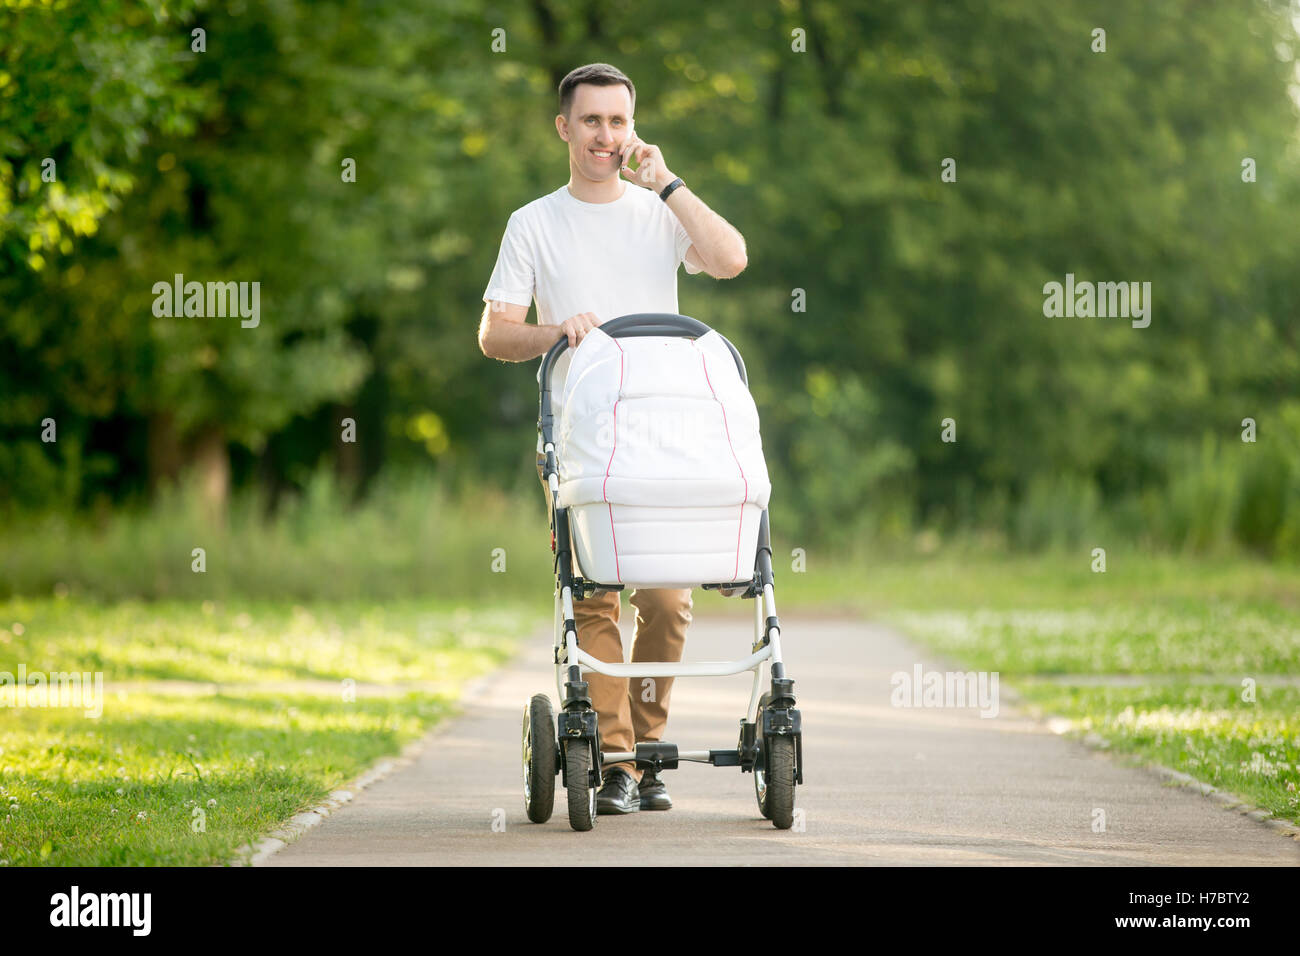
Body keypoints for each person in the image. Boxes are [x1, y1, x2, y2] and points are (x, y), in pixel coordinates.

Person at [477, 62, 748, 814]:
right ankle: (621, 763)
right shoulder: (533, 222)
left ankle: (649, 748)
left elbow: (730, 260)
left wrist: (668, 183)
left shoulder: (658, 210)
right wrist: (554, 332)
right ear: (564, 128)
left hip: (664, 429)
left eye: (618, 122)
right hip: (582, 434)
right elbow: (493, 333)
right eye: (591, 121)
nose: (605, 135)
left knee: (666, 597)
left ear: (633, 129)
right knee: (593, 595)